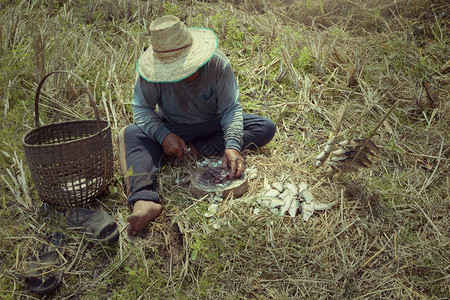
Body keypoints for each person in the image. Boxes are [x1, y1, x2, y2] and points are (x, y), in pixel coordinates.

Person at [118, 15, 275, 235]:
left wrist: (231, 145)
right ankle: (144, 200)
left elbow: (231, 109)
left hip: (213, 124)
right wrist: (163, 135)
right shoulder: (151, 73)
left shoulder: (218, 64)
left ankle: (197, 149)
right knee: (130, 134)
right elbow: (141, 109)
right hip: (174, 127)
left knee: (264, 127)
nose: (189, 73)